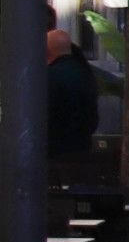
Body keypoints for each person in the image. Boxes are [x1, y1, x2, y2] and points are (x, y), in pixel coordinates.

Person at [43, 28, 102, 158]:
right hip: (82, 145)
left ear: (47, 51)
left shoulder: (48, 77)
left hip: (55, 148)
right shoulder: (85, 72)